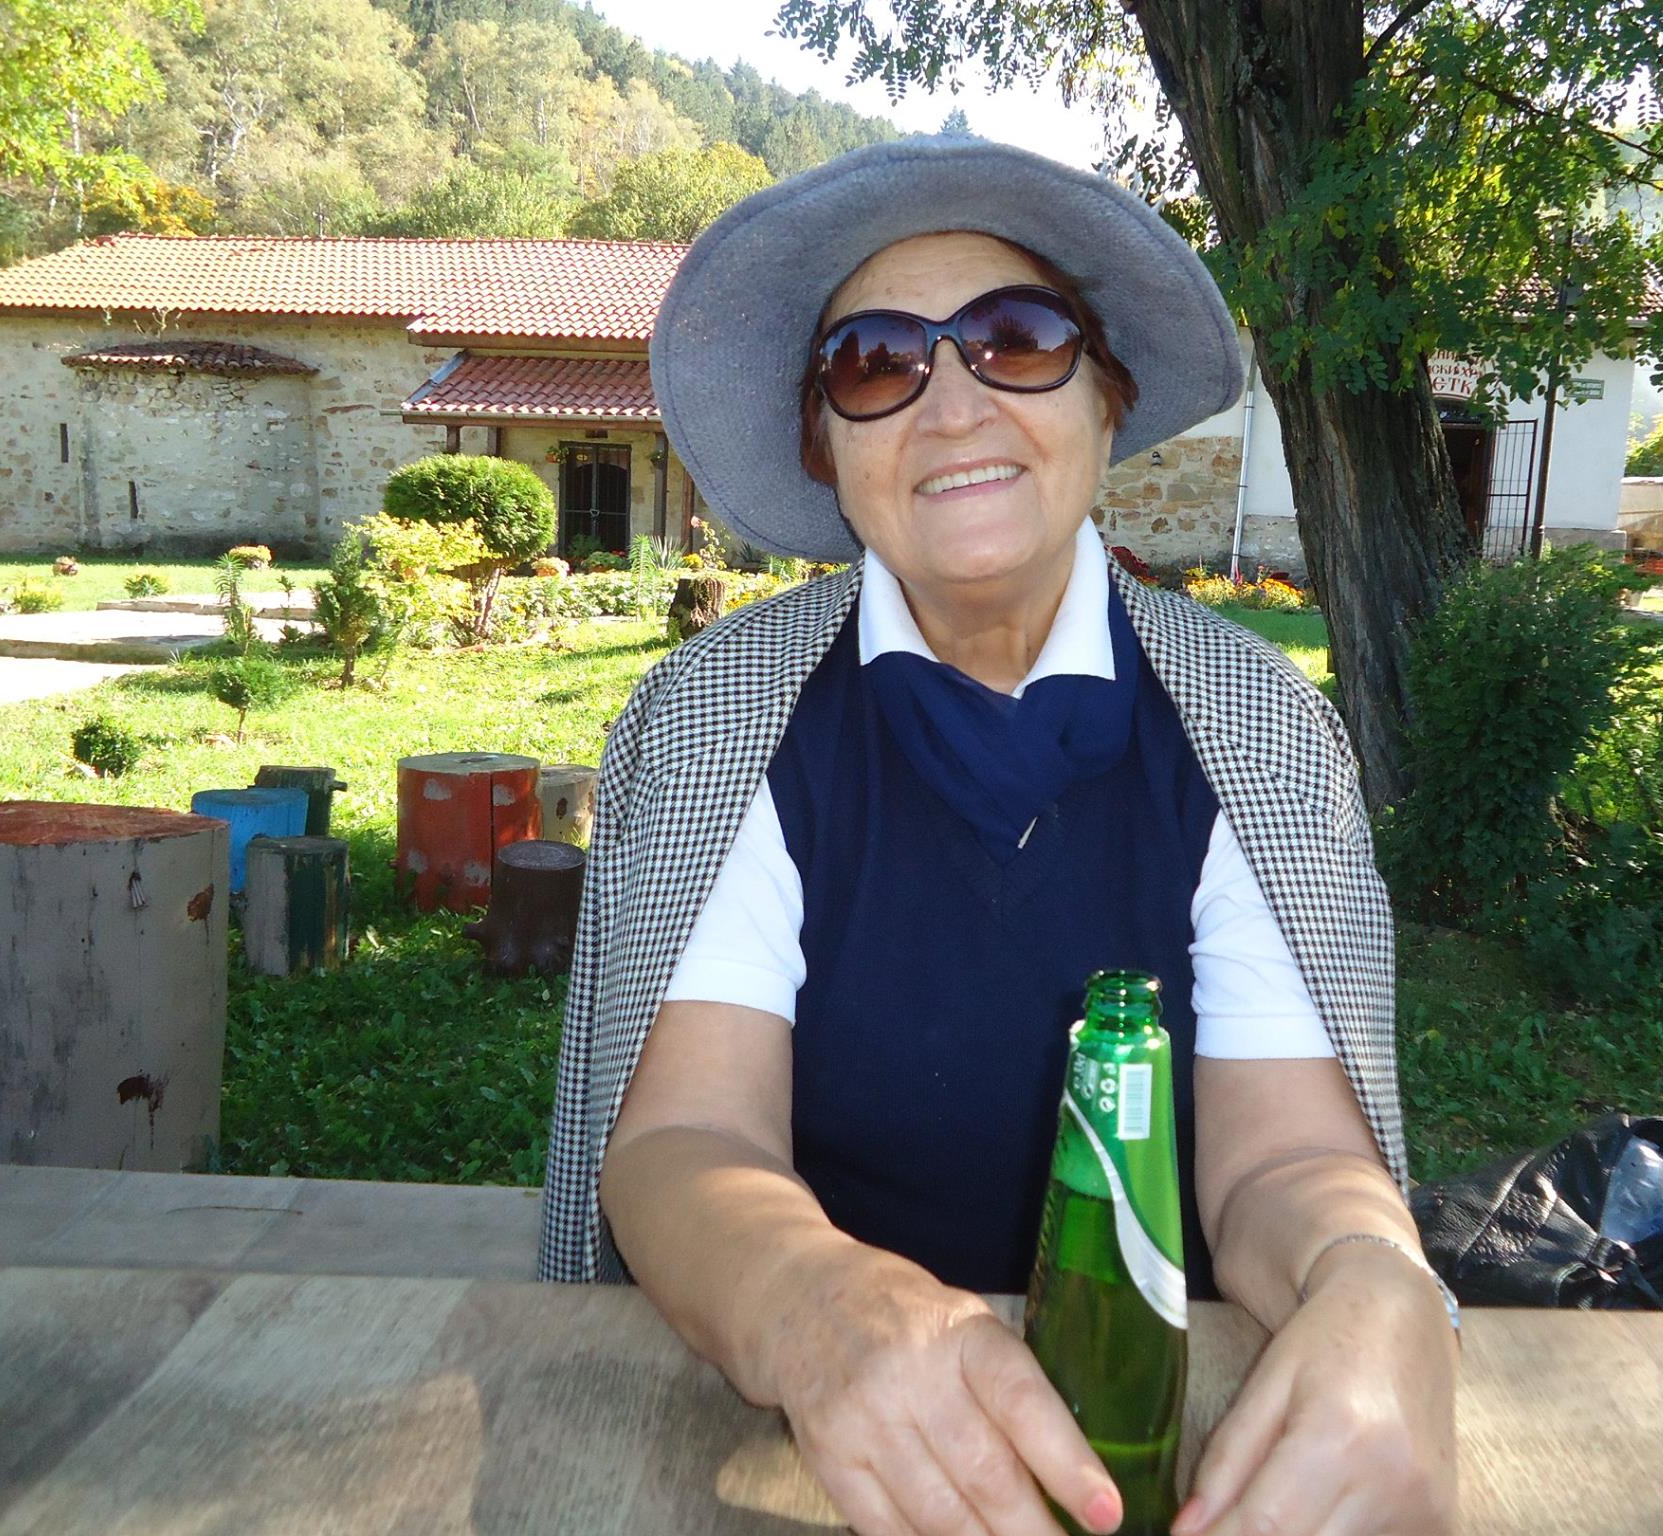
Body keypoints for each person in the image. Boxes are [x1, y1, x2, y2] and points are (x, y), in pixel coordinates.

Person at [541, 134, 1459, 1536]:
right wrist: (812, 1301)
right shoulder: (724, 719)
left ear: (1106, 397)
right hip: (798, 1426)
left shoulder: (1252, 728)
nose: (954, 407)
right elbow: (685, 1135)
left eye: (1018, 341)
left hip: (1159, 1430)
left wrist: (1375, 1278)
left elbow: (1285, 1161)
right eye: (875, 364)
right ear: (826, 444)